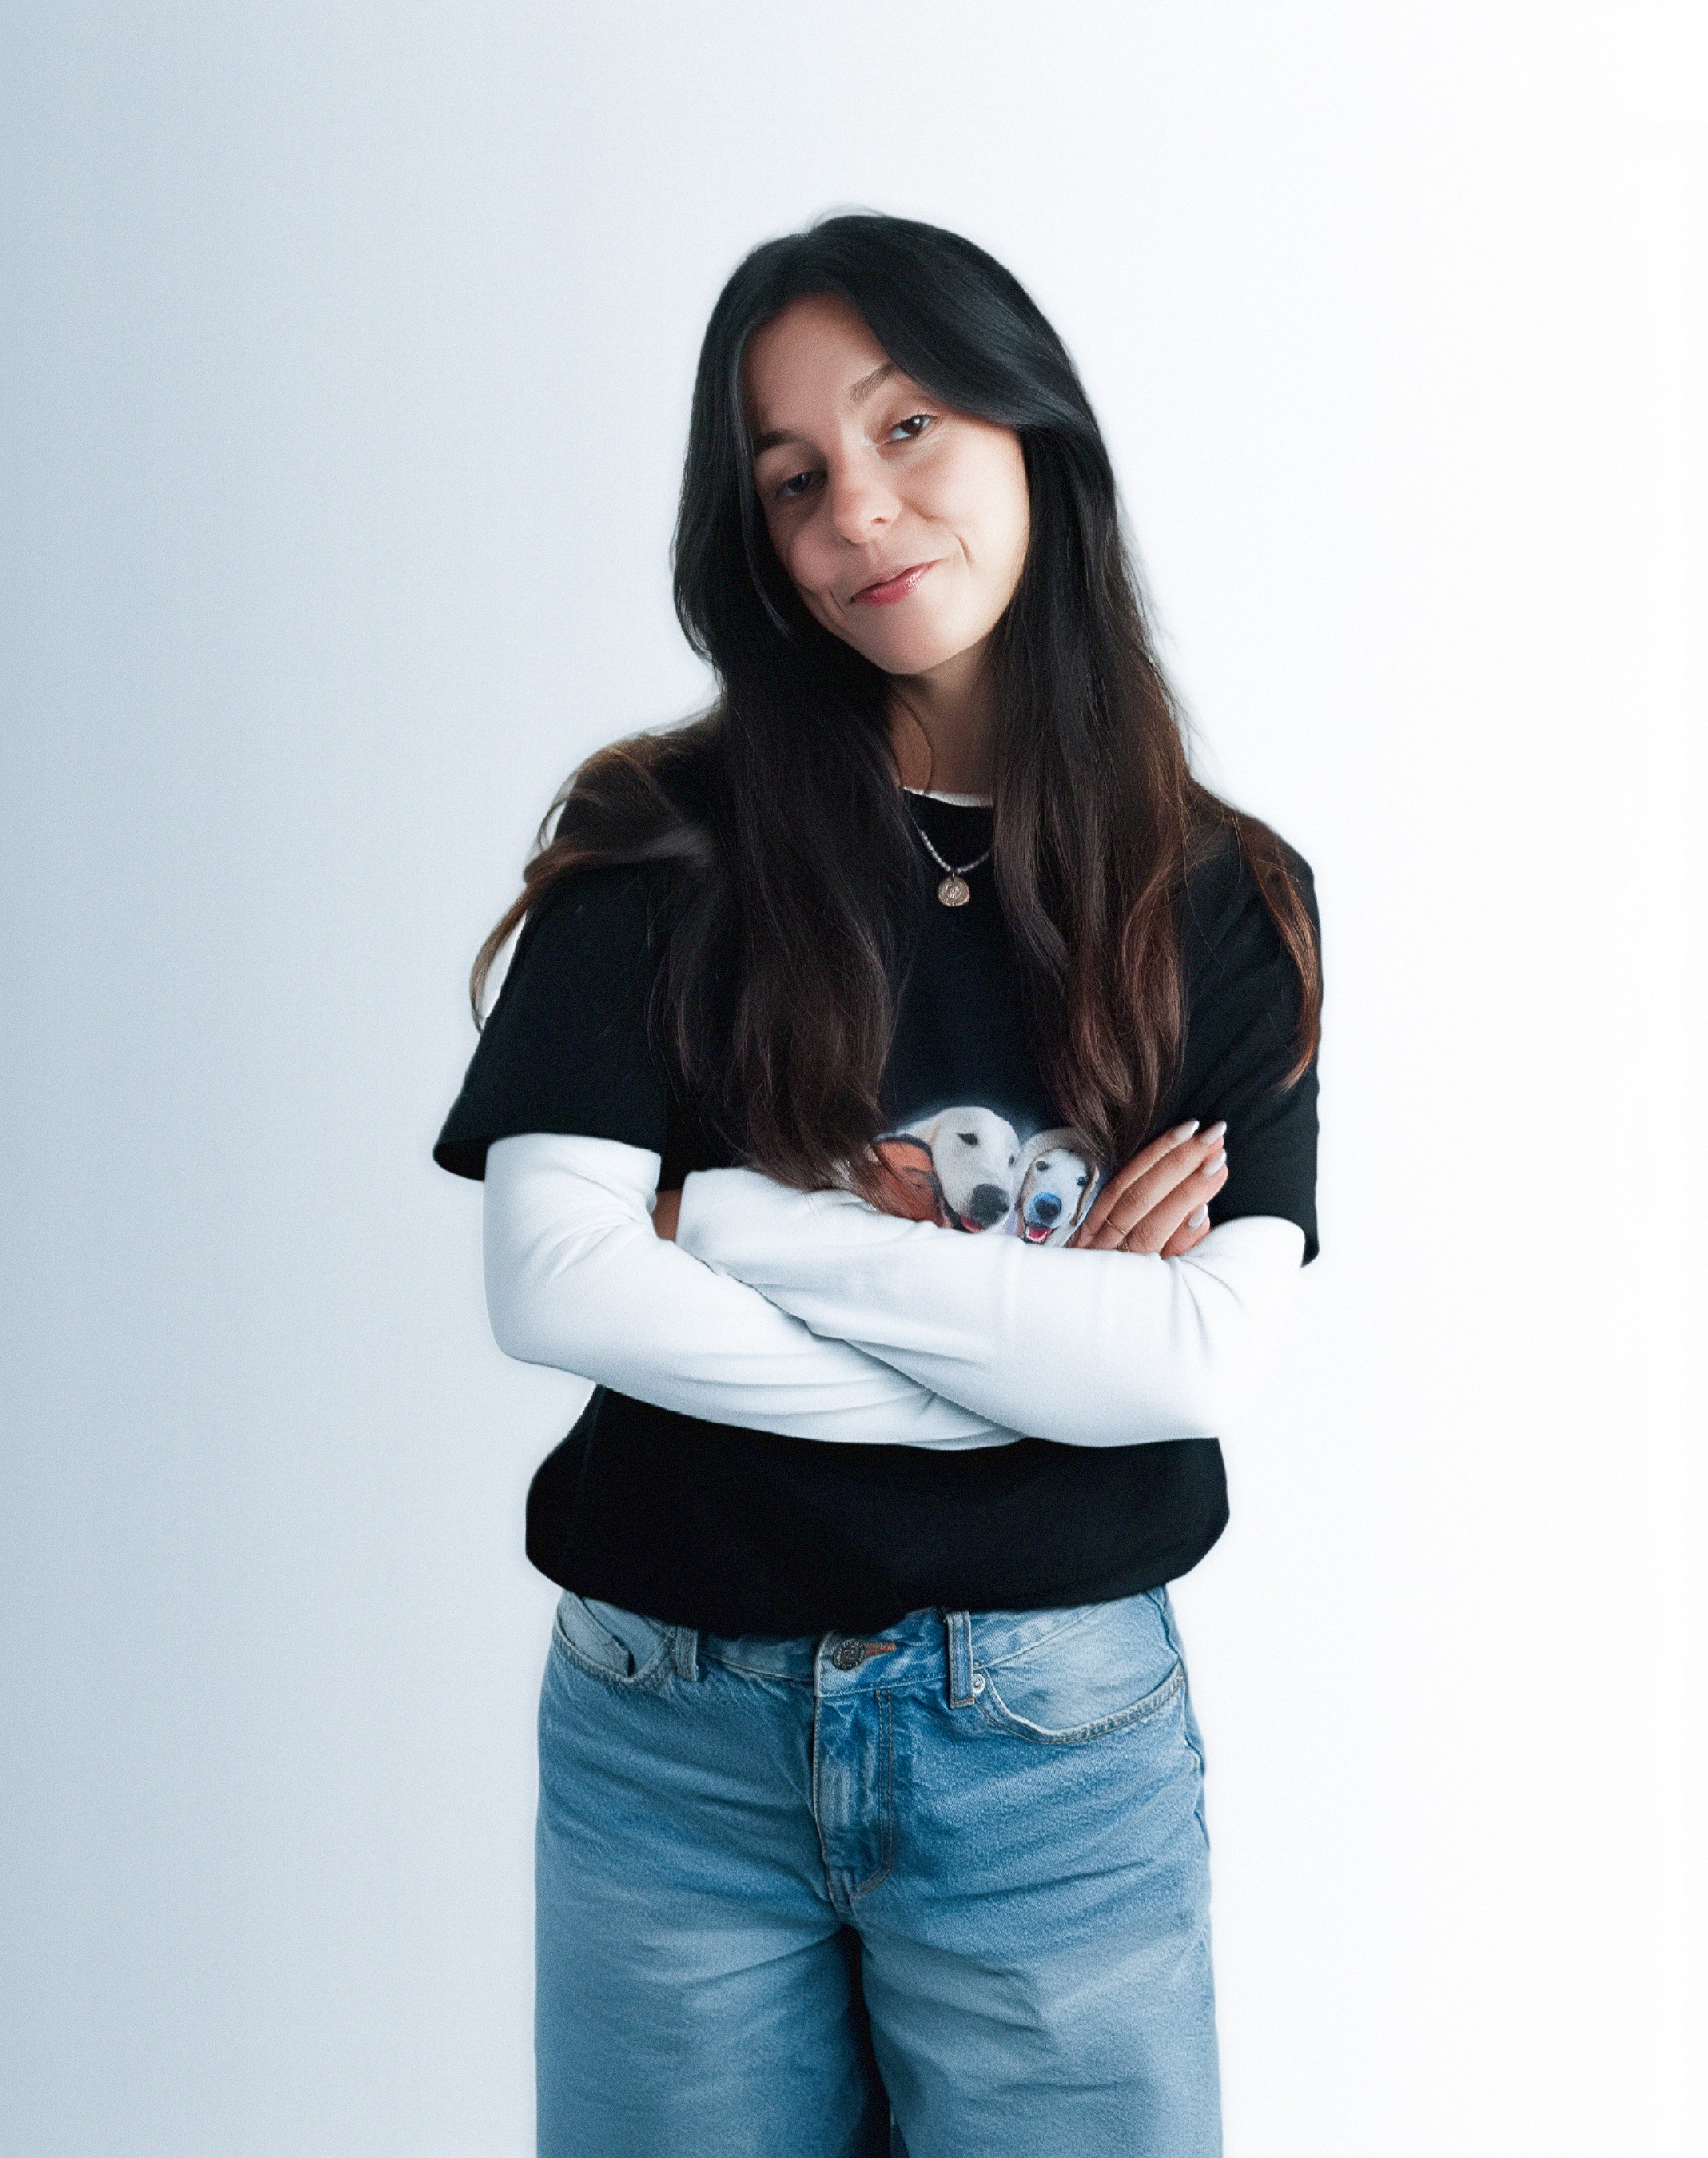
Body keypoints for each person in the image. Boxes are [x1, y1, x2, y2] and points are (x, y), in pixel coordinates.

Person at [434, 210, 1322, 2158]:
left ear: (1032, 433)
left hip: (1049, 1754)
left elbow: (1190, 1367)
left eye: (909, 426)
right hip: (666, 1739)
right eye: (794, 475)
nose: (860, 507)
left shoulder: (1218, 899)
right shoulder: (657, 840)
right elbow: (558, 1283)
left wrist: (740, 1225)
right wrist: (1034, 1353)